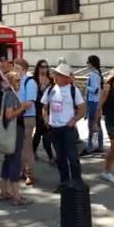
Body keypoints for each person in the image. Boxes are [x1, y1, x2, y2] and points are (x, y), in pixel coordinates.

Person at [41, 63, 86, 192]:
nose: (55, 76)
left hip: (68, 129)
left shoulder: (73, 90)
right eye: (55, 74)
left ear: (65, 77)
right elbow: (44, 107)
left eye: (58, 75)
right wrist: (46, 119)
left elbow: (82, 109)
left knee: (72, 157)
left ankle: (77, 182)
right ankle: (64, 182)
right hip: (54, 129)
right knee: (60, 158)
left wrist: (73, 120)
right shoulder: (51, 89)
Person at [0, 71, 32, 206]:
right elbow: (9, 115)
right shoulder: (11, 95)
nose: (19, 83)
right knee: (14, 161)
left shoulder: (8, 94)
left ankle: (4, 190)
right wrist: (23, 107)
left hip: (13, 131)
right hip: (15, 131)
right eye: (17, 80)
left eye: (19, 80)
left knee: (8, 161)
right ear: (11, 82)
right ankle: (16, 196)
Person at [14, 58, 38, 186]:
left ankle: (30, 173)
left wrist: (17, 109)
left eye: (17, 68)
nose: (15, 70)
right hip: (19, 117)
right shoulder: (18, 81)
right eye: (15, 67)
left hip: (28, 117)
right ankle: (21, 170)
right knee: (20, 147)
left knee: (27, 147)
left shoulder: (30, 82)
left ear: (24, 69)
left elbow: (29, 103)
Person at [32, 60, 56, 166]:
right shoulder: (34, 80)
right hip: (37, 109)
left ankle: (48, 156)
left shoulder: (51, 80)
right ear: (38, 67)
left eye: (46, 66)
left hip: (47, 109)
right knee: (40, 132)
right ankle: (49, 156)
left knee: (43, 133)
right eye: (42, 66)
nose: (44, 68)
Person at [82, 55, 105, 156]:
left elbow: (95, 90)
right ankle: (99, 145)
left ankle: (90, 146)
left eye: (88, 62)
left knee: (92, 125)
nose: (86, 64)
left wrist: (87, 88)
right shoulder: (97, 74)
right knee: (96, 124)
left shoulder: (94, 75)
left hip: (93, 102)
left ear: (91, 63)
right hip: (95, 102)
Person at [0, 56, 12, 123]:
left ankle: (1, 117)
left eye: (4, 61)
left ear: (7, 61)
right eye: (1, 61)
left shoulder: (9, 69)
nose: (3, 63)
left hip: (6, 91)